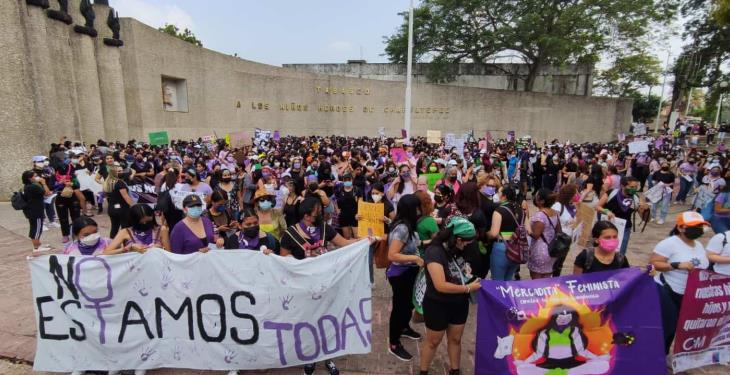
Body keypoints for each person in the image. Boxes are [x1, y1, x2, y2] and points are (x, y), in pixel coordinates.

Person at [278, 197, 363, 375]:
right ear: (307, 214)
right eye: (317, 210)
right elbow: (283, 259)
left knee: (327, 320)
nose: (321, 212)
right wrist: (303, 264)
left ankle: (328, 356)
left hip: (326, 284)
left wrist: (364, 241)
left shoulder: (325, 228)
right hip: (304, 287)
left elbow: (345, 243)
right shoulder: (291, 233)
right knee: (308, 322)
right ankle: (310, 357)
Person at [419, 217, 481, 375]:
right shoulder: (434, 252)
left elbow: (466, 271)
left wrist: (472, 280)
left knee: (455, 339)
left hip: (459, 303)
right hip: (437, 304)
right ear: (458, 239)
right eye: (467, 241)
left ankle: (455, 369)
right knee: (433, 341)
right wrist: (467, 288)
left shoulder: (460, 249)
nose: (469, 245)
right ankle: (423, 371)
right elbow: (440, 285)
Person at [650, 211, 710, 354]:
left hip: (689, 293)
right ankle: (655, 355)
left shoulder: (699, 245)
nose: (698, 230)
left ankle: (664, 354)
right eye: (693, 226)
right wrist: (676, 265)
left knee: (677, 326)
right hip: (669, 290)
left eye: (701, 226)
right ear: (681, 227)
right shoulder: (669, 244)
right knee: (667, 325)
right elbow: (654, 264)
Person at [385, 194, 424, 362]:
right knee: (400, 308)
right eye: (416, 208)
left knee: (408, 304)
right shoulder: (402, 228)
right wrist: (415, 259)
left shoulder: (408, 226)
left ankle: (404, 327)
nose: (419, 211)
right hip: (401, 274)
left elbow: (413, 245)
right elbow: (392, 255)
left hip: (409, 273)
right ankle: (394, 343)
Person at [596, 176, 643, 255]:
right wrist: (606, 211)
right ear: (622, 186)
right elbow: (597, 206)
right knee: (603, 249)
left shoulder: (636, 198)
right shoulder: (612, 193)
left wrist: (645, 209)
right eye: (631, 187)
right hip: (608, 226)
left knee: (620, 252)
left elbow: (646, 218)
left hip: (625, 228)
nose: (634, 189)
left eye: (636, 187)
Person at [486, 184, 524, 280]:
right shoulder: (521, 210)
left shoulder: (499, 211)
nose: (497, 195)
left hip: (502, 248)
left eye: (498, 192)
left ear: (504, 196)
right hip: (517, 247)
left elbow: (494, 233)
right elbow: (527, 229)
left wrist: (486, 234)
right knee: (508, 280)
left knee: (498, 283)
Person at [104, 204, 170, 254]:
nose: (145, 223)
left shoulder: (161, 230)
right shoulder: (125, 232)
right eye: (142, 222)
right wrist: (129, 247)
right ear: (133, 221)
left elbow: (169, 253)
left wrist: (160, 248)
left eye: (148, 221)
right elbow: (106, 253)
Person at [528, 189, 560, 279]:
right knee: (546, 282)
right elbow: (559, 231)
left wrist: (527, 229)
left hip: (539, 251)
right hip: (551, 250)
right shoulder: (555, 213)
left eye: (536, 196)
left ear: (541, 201)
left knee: (536, 283)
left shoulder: (539, 216)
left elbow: (536, 235)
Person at [551, 184, 579, 276]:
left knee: (559, 264)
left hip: (567, 241)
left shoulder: (572, 206)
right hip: (558, 241)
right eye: (575, 193)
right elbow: (551, 222)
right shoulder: (558, 206)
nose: (577, 195)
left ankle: (556, 281)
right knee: (553, 264)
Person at [21, 170, 52, 252]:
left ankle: (38, 244)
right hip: (36, 211)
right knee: (37, 229)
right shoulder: (33, 187)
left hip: (30, 211)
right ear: (30, 178)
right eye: (35, 176)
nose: (37, 177)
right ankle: (36, 247)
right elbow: (47, 193)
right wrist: (44, 183)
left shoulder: (27, 186)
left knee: (34, 228)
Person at [103, 163, 135, 238]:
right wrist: (134, 206)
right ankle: (126, 245)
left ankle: (112, 244)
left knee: (114, 228)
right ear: (115, 173)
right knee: (125, 229)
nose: (122, 172)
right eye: (119, 171)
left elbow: (106, 194)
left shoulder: (107, 182)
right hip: (122, 209)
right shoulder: (119, 183)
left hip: (111, 208)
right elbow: (126, 197)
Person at [335, 173, 359, 239]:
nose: (347, 181)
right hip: (343, 216)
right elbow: (335, 200)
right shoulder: (339, 190)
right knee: (347, 237)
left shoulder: (357, 190)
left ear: (352, 180)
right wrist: (337, 210)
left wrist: (359, 213)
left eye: (349, 180)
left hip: (355, 215)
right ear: (343, 181)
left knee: (357, 237)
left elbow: (361, 202)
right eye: (345, 180)